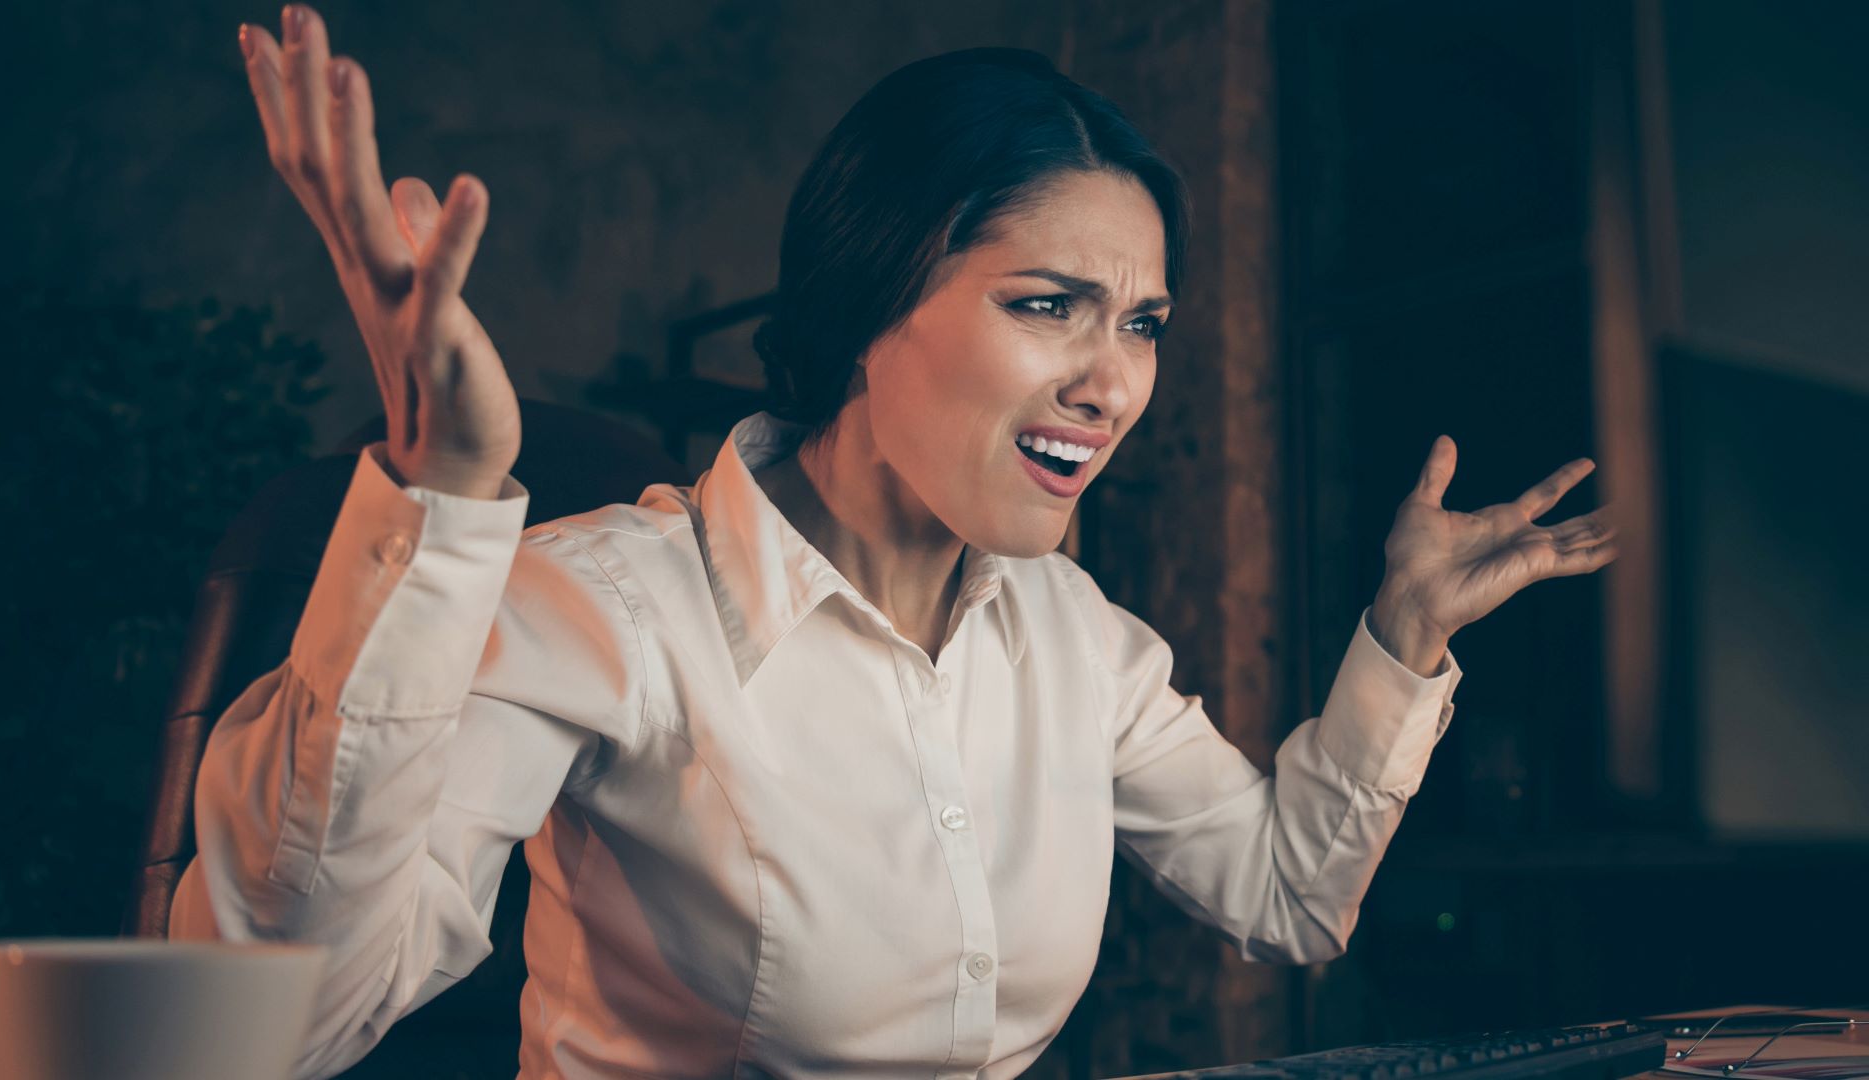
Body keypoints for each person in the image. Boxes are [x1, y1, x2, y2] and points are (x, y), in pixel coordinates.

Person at [171, 6, 1622, 1078]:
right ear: (870, 309)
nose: (1112, 381)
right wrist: (444, 488)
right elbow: (276, 1020)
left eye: (1144, 324)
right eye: (1047, 304)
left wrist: (1402, 640)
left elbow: (1288, 894)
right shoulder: (607, 606)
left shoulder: (1076, 635)